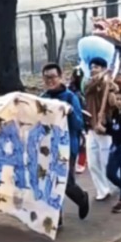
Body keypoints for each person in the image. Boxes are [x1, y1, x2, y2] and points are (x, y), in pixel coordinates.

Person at [40, 63, 90, 227]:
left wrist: (70, 112)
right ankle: (57, 216)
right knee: (51, 181)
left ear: (60, 77)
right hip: (49, 147)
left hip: (67, 147)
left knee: (66, 183)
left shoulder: (70, 97)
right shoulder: (43, 98)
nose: (50, 81)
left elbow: (79, 124)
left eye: (53, 77)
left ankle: (81, 198)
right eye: (46, 78)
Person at [84, 57, 119, 201]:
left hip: (104, 128)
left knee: (106, 161)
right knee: (92, 163)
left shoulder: (109, 85)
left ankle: (114, 184)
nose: (93, 69)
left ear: (103, 68)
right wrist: (102, 76)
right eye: (91, 67)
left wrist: (109, 84)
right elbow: (90, 86)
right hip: (91, 127)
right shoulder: (89, 84)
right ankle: (102, 190)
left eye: (96, 67)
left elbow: (114, 101)